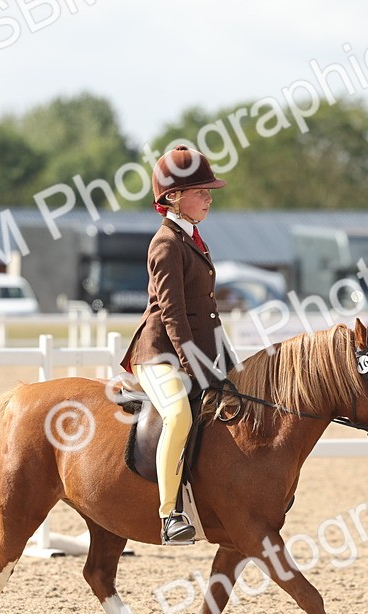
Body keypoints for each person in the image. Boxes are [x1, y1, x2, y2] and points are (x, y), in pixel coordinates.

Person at [119, 145, 234, 544]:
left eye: (208, 190)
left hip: (198, 351)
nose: (209, 196)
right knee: (179, 415)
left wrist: (227, 359)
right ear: (172, 197)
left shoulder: (193, 240)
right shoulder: (166, 244)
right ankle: (170, 514)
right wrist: (194, 367)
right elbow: (173, 316)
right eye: (201, 190)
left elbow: (208, 311)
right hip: (159, 355)